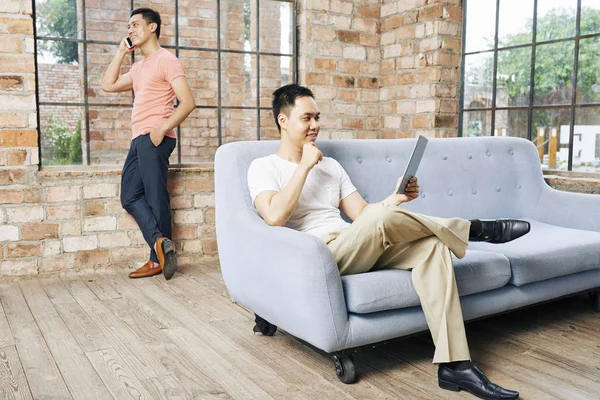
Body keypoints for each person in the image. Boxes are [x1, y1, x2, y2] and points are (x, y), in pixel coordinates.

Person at [247, 84, 530, 400]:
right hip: (320, 256)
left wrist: (396, 198)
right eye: (306, 118)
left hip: (356, 242)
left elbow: (364, 215)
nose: (315, 126)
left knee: (432, 248)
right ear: (283, 121)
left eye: (317, 117)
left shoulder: (331, 166)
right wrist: (303, 166)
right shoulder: (263, 167)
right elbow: (274, 217)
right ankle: (472, 229)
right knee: (386, 224)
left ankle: (456, 364)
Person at [101, 8, 195, 280]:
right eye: (128, 26)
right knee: (129, 196)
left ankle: (157, 259)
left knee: (155, 196)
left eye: (136, 24)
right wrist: (121, 52)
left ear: (153, 27)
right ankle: (159, 242)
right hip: (138, 137)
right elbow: (107, 85)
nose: (130, 30)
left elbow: (187, 101)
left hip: (156, 136)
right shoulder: (138, 66)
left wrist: (162, 129)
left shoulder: (167, 60)